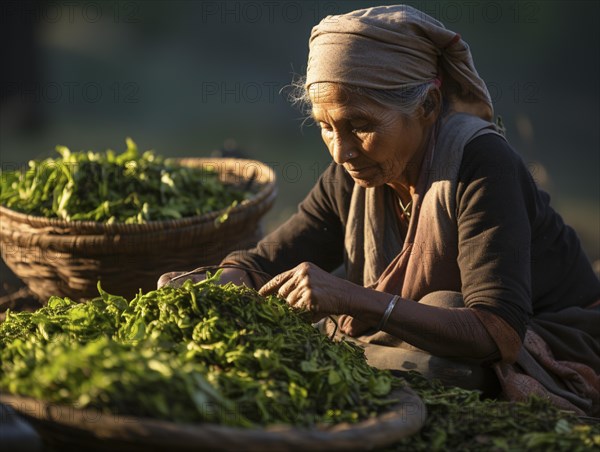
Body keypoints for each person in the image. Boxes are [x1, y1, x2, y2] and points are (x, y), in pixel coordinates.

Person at [159, 5, 600, 415]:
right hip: (433, 338)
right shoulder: (353, 176)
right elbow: (265, 262)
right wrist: (213, 286)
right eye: (326, 128)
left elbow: (498, 332)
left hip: (554, 336)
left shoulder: (481, 164)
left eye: (362, 125)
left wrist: (353, 298)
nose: (342, 151)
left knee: (443, 308)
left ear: (427, 106)